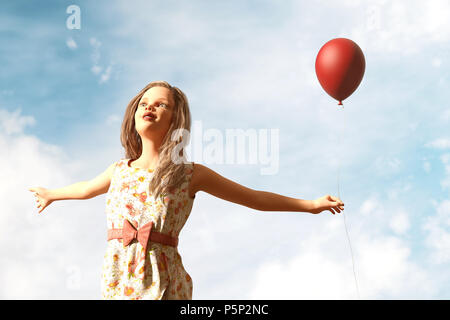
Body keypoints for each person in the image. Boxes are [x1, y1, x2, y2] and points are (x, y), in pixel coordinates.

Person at [28, 80, 344, 300]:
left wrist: (311, 203)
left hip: (165, 283)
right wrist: (52, 194)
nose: (149, 107)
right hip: (118, 279)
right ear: (134, 113)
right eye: (144, 103)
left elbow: (253, 198)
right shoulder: (118, 171)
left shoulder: (189, 174)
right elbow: (85, 189)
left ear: (175, 119)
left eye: (161, 104)